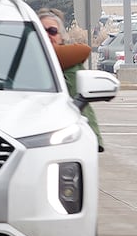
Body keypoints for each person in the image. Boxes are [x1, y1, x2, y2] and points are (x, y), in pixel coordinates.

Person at [40, 8, 103, 151]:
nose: (47, 35)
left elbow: (84, 50)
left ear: (62, 36)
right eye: (41, 30)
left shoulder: (72, 62)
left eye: (52, 31)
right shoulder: (23, 59)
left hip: (72, 134)